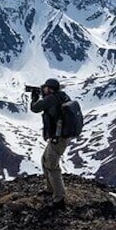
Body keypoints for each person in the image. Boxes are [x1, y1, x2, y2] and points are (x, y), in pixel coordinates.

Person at [30, 78, 70, 209]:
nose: (43, 89)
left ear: (51, 89)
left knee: (52, 166)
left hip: (57, 139)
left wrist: (34, 98)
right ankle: (50, 189)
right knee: (44, 160)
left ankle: (59, 199)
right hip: (60, 137)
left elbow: (35, 108)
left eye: (46, 88)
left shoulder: (51, 99)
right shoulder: (62, 96)